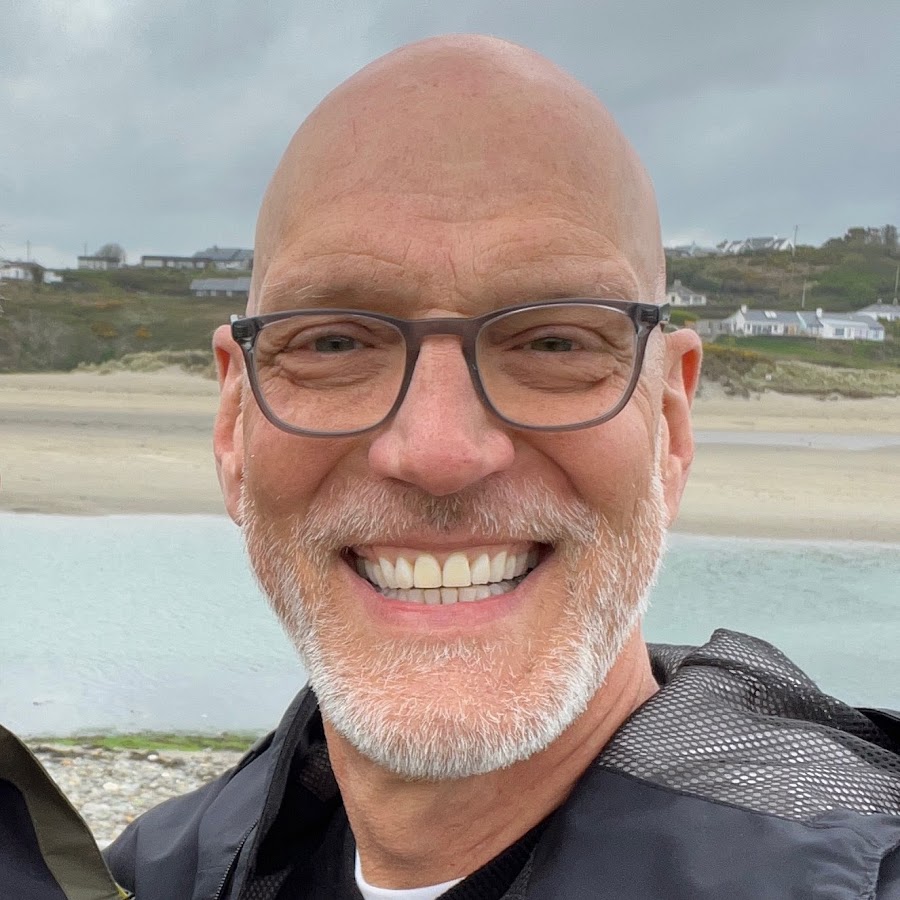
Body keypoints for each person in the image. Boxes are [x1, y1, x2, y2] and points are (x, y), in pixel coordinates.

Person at [105, 35, 900, 899]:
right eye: (334, 343)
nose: (439, 452)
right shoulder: (147, 876)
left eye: (555, 343)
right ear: (233, 425)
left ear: (670, 427)